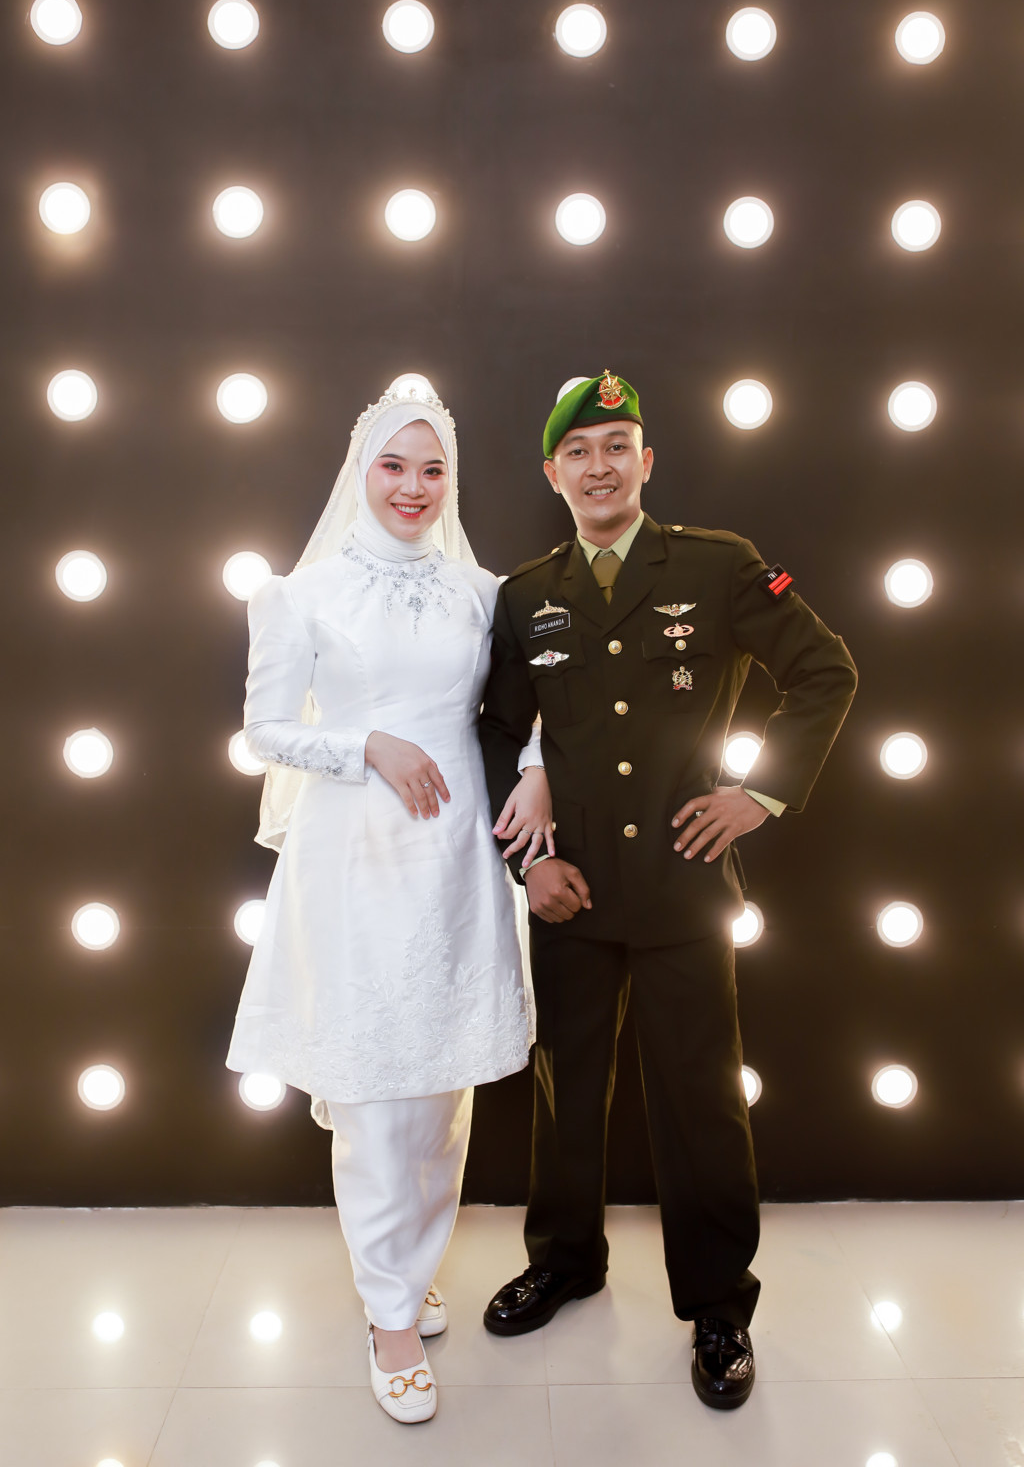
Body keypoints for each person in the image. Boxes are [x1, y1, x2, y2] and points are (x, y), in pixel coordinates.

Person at [478, 370, 857, 1410]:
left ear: (647, 462)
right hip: (573, 889)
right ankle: (565, 1261)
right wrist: (527, 861)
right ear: (551, 474)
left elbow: (824, 671)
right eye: (578, 452)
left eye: (617, 446)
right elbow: (498, 731)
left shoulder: (716, 564)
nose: (598, 467)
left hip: (685, 882)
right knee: (566, 1095)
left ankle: (719, 1304)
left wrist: (760, 794)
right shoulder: (526, 595)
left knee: (701, 1104)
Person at [226, 383, 553, 1424]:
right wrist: (367, 744)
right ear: (360, 470)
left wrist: (537, 769)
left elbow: (528, 713)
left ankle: (409, 1267)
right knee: (373, 1095)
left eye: (432, 468)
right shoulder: (300, 594)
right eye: (394, 466)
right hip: (354, 859)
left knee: (442, 1091)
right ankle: (390, 1316)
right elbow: (266, 732)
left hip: (456, 856)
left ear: (451, 480)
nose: (414, 487)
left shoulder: (483, 592)